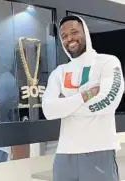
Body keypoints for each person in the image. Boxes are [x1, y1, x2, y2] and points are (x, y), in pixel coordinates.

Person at [42, 15, 124, 181]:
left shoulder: (107, 62)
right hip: (64, 154)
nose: (69, 39)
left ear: (85, 32)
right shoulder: (59, 71)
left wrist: (65, 107)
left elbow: (109, 101)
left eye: (74, 32)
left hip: (99, 150)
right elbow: (49, 110)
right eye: (64, 36)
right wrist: (86, 95)